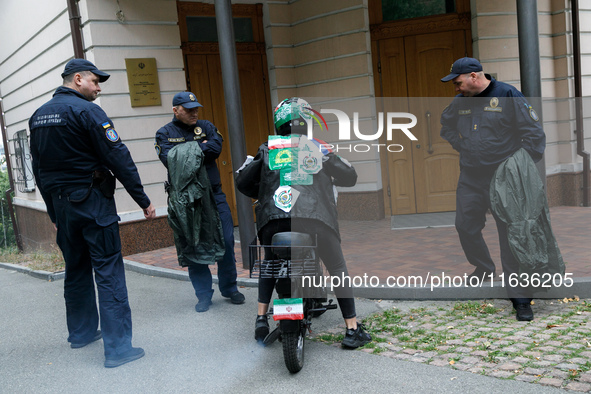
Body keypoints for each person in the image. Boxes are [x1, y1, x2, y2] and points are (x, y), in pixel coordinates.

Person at [29, 58, 156, 368]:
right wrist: (142, 199)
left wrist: (54, 214)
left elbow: (39, 169)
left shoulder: (38, 116)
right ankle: (118, 349)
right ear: (77, 80)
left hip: (62, 206)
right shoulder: (87, 111)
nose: (99, 88)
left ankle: (82, 333)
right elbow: (118, 156)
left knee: (76, 269)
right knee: (108, 269)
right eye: (95, 81)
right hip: (92, 204)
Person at [235, 97, 372, 348]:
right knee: (337, 267)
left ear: (279, 123)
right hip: (316, 220)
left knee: (271, 263)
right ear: (306, 122)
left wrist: (266, 188)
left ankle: (260, 318)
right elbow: (349, 176)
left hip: (273, 221)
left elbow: (243, 182)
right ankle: (352, 328)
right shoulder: (318, 147)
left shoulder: (268, 148)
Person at [440, 57, 546, 321]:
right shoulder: (460, 102)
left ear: (474, 77)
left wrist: (517, 167)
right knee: (465, 225)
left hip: (503, 178)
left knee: (510, 236)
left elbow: (534, 136)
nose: (456, 88)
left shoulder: (508, 95)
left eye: (458, 82)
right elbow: (446, 125)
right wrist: (462, 146)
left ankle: (521, 299)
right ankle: (484, 267)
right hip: (471, 176)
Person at [155, 92, 245, 312]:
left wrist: (186, 151)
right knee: (194, 244)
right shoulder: (164, 133)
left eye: (196, 108)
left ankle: (229, 287)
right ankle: (203, 295)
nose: (194, 112)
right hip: (187, 200)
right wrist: (199, 148)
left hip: (214, 194)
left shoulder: (205, 125)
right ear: (175, 110)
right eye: (188, 109)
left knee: (225, 239)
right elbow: (170, 160)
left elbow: (216, 148)